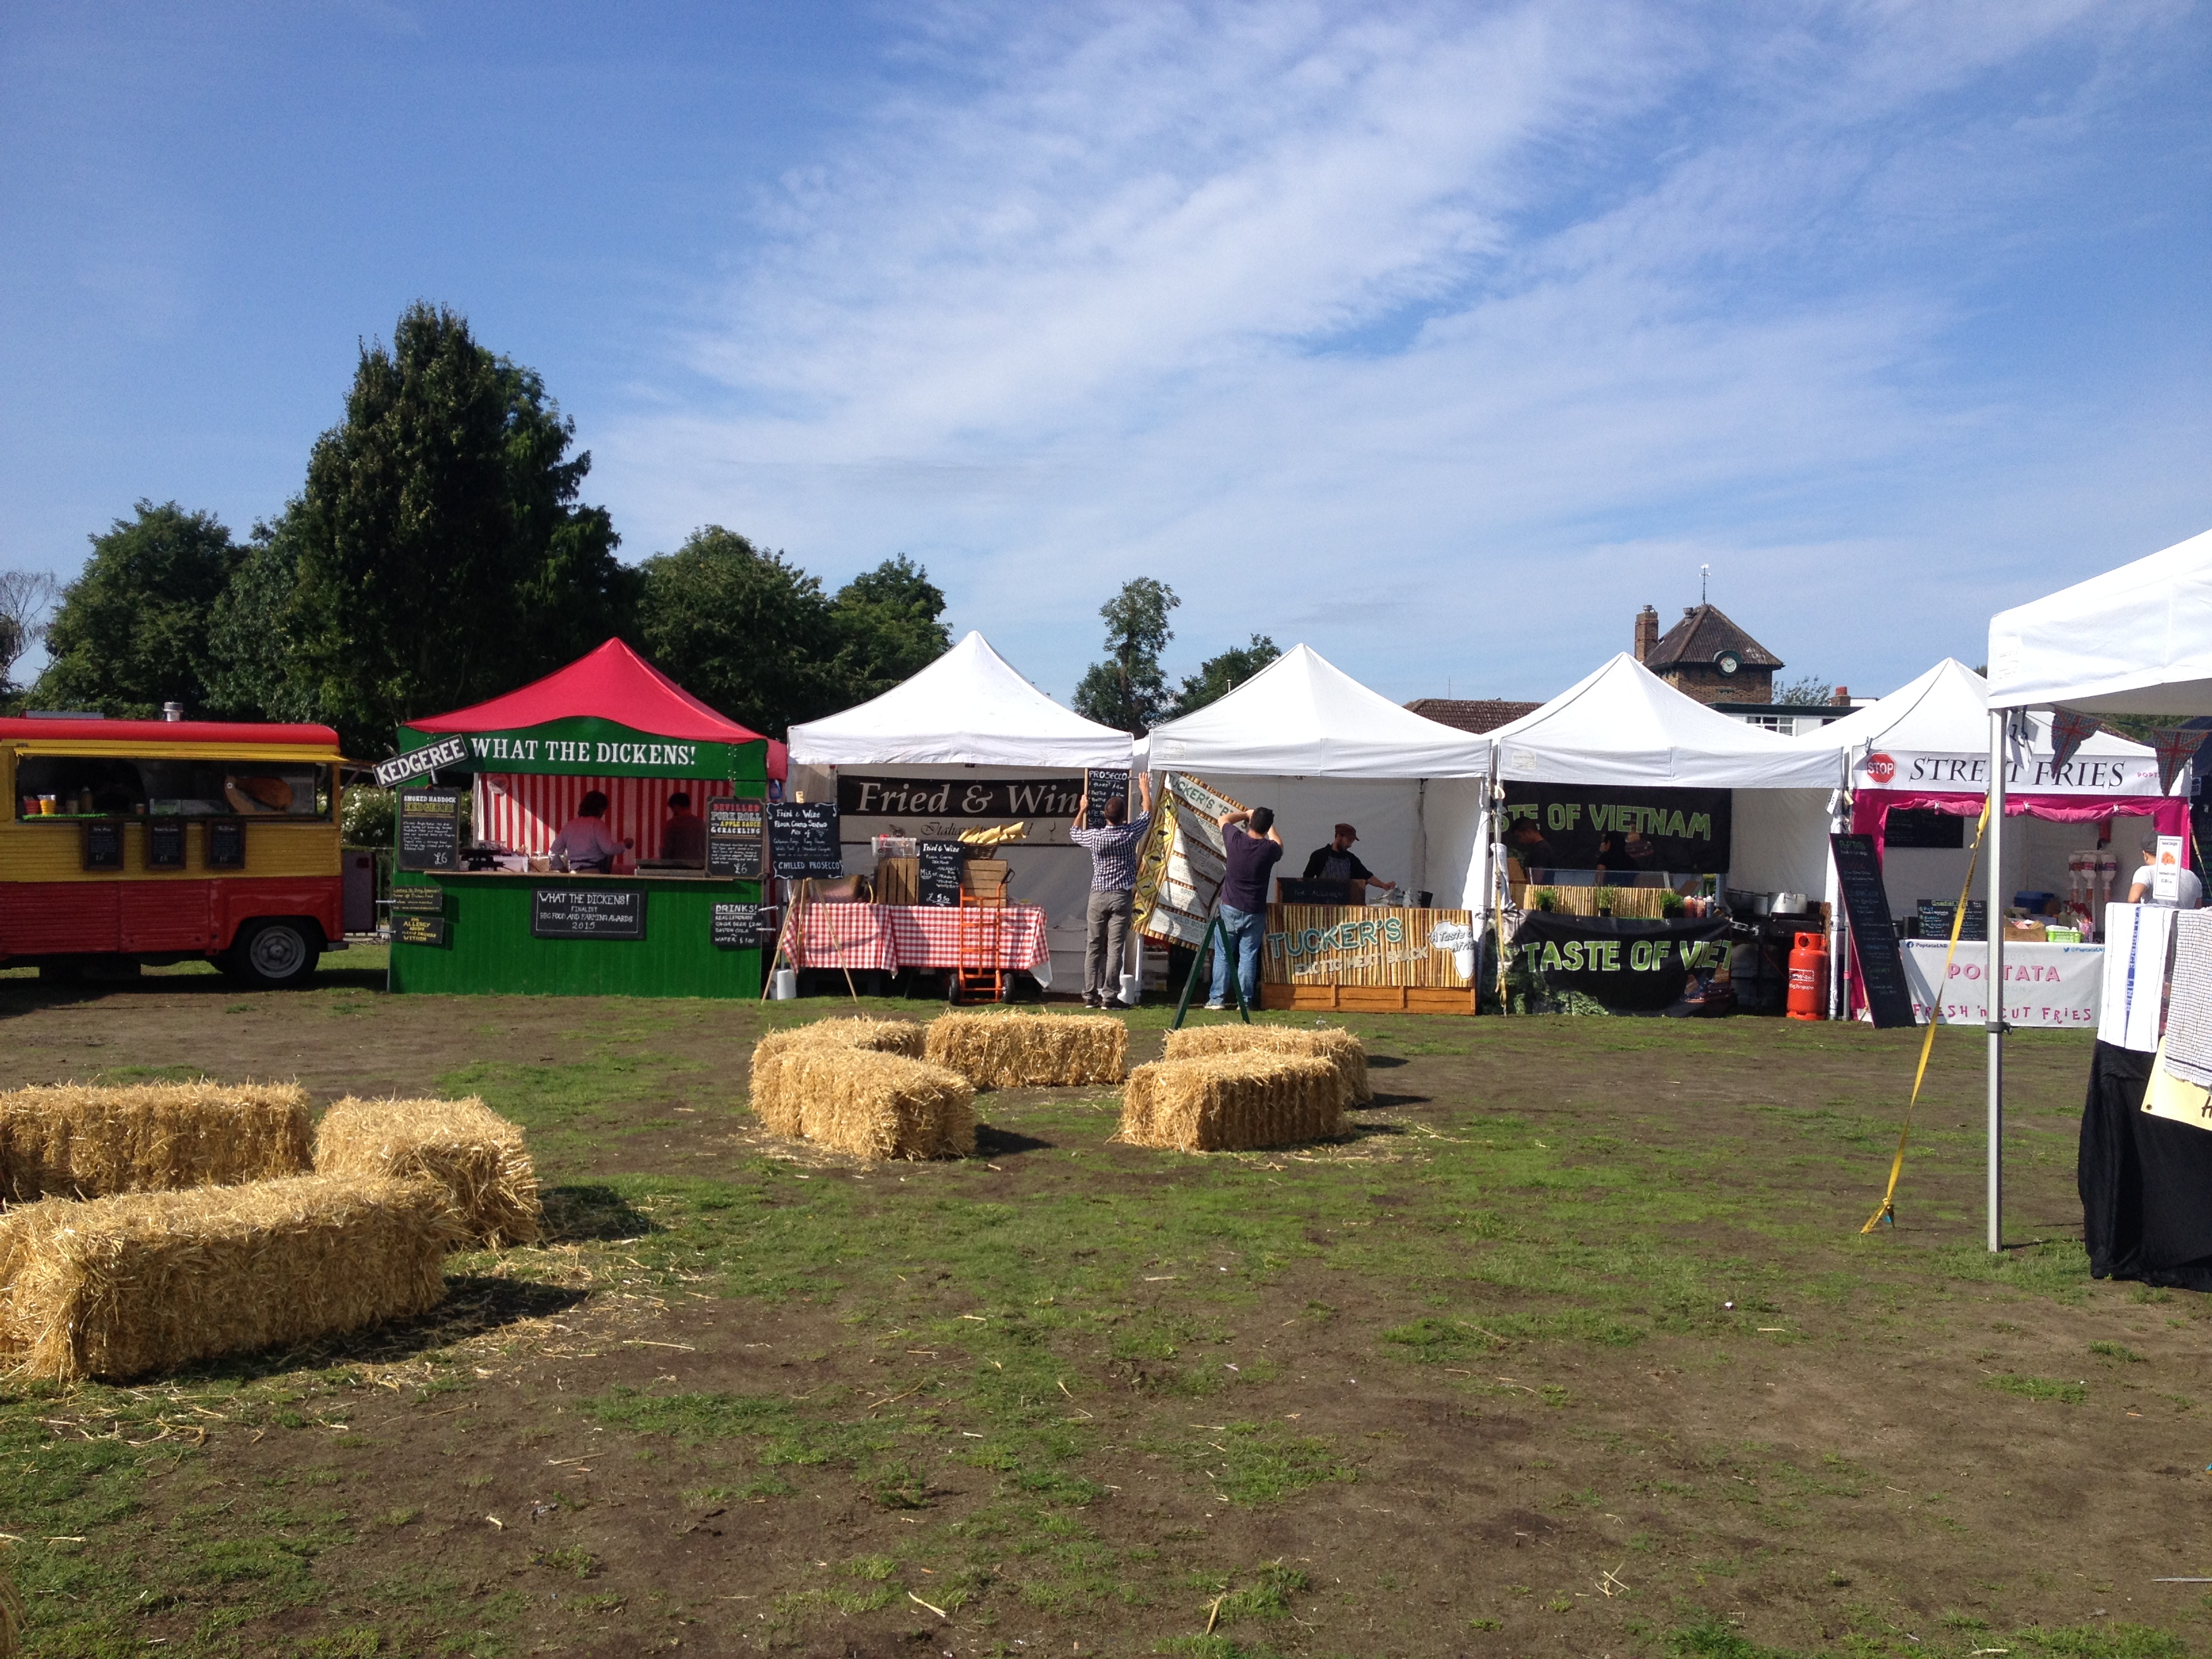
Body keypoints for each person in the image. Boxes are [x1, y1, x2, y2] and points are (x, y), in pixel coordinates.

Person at [1068, 771, 1155, 1008]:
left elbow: (1074, 833)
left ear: (1105, 816)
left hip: (1098, 895)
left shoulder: (1096, 837)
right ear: (1122, 815)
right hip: (1121, 895)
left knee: (1093, 945)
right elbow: (1148, 814)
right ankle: (1109, 996)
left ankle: (1088, 995)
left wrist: (1082, 810)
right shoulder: (1129, 834)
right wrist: (1145, 789)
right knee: (1115, 947)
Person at [1209, 806, 1282, 1010]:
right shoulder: (1269, 849)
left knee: (1224, 954)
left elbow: (1223, 819)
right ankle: (1245, 1001)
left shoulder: (1236, 840)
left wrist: (1246, 813)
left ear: (1250, 824)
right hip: (1255, 910)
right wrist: (1269, 827)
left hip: (1230, 907)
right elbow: (1279, 843)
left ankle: (1217, 999)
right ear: (1267, 827)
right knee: (1248, 956)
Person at [1302, 822, 1395, 900]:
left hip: (1344, 905)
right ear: (1338, 837)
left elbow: (1367, 876)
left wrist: (1383, 885)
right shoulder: (1319, 855)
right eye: (1348, 841)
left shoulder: (1351, 859)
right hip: (1322, 904)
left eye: (1352, 842)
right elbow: (1307, 880)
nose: (1350, 845)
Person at [550, 790, 631, 873]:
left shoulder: (569, 826)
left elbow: (553, 854)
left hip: (573, 874)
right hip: (593, 873)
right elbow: (609, 849)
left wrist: (564, 872)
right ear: (600, 809)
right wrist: (624, 844)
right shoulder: (597, 824)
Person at [2123, 830, 2204, 908]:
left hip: (2156, 921)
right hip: (2183, 921)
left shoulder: (2146, 872)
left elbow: (2133, 900)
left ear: (2145, 854)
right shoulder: (2192, 876)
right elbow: (2197, 908)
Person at [661, 791, 707, 866]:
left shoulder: (672, 824)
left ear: (676, 806)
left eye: (672, 808)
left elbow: (668, 849)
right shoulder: (701, 823)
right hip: (699, 866)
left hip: (677, 867)